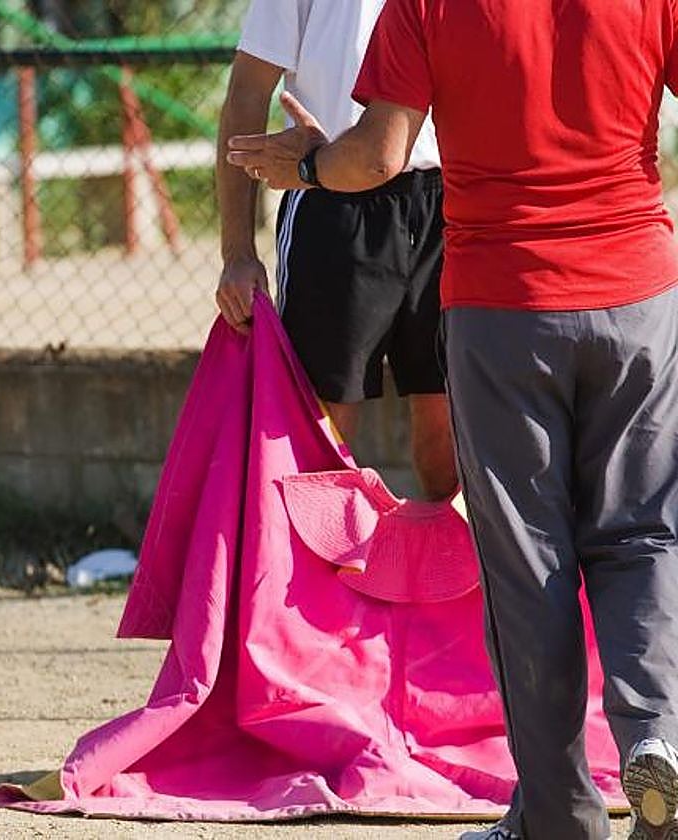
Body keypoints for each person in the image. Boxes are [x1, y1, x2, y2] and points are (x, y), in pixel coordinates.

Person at [226, 1, 678, 839]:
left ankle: (558, 815)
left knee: (528, 557)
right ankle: (658, 735)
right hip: (637, 293)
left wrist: (310, 168)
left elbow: (379, 156)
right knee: (644, 533)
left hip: (503, 304)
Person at [215, 0, 456, 501]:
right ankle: (312, 578)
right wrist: (237, 251)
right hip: (330, 191)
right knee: (319, 435)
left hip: (451, 199)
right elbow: (247, 91)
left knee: (450, 440)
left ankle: (449, 577)